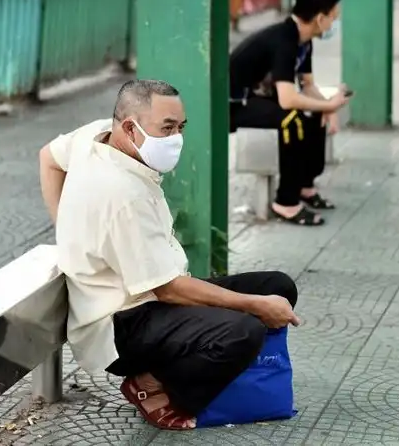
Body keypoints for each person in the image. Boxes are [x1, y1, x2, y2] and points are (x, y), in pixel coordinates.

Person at [38, 79, 301, 431]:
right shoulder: (123, 194)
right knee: (244, 330)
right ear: (130, 127)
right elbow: (169, 290)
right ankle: (154, 386)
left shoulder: (96, 135)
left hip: (152, 293)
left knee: (278, 287)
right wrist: (254, 305)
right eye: (166, 128)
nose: (176, 138)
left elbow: (48, 157)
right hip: (121, 322)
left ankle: (209, 371)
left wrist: (65, 228)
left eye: (180, 127)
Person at [228, 0, 349, 226]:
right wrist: (329, 105)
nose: (334, 23)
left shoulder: (304, 41)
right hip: (233, 106)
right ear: (319, 18)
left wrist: (329, 106)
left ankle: (306, 187)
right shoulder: (285, 40)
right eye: (333, 18)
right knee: (292, 120)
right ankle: (286, 202)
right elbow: (287, 99)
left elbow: (308, 86)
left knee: (314, 115)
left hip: (258, 98)